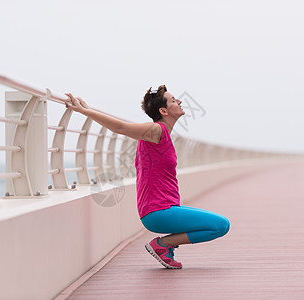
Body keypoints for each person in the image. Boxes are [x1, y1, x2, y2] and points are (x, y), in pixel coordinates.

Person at [65, 85, 230, 269]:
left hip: (164, 209)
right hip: (159, 212)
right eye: (174, 100)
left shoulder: (162, 134)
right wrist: (85, 111)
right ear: (163, 111)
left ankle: (164, 246)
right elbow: (121, 127)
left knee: (218, 225)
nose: (181, 101)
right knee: (220, 225)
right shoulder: (156, 131)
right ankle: (162, 245)